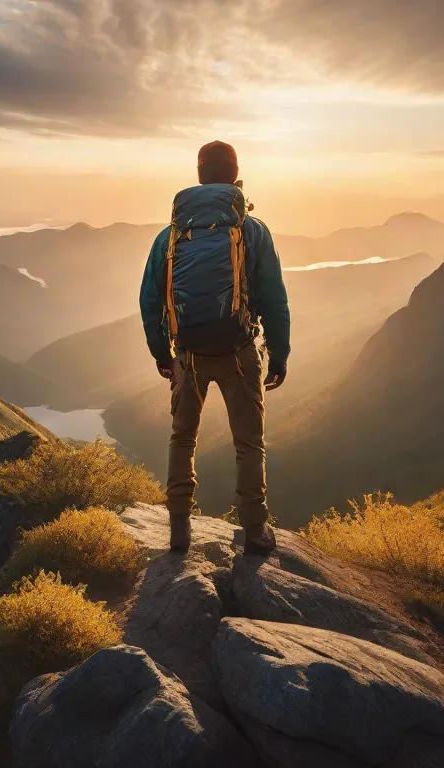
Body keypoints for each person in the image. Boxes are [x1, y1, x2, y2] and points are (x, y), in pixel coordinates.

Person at [139, 140, 290, 556]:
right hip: (239, 354)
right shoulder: (252, 232)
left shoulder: (170, 237)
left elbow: (150, 300)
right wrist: (279, 354)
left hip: (188, 354)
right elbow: (274, 297)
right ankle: (256, 530)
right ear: (235, 175)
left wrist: (161, 354)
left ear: (200, 175)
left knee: (183, 437)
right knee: (248, 442)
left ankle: (178, 529)